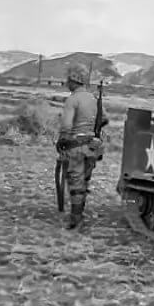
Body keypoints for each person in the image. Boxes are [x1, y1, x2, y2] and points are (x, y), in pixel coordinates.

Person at [56, 63, 106, 231]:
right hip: (92, 146)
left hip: (76, 146)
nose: (66, 83)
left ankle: (75, 219)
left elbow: (66, 126)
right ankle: (79, 214)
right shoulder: (93, 98)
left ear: (74, 81)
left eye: (68, 80)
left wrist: (62, 140)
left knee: (75, 183)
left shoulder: (73, 99)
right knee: (84, 181)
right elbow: (104, 118)